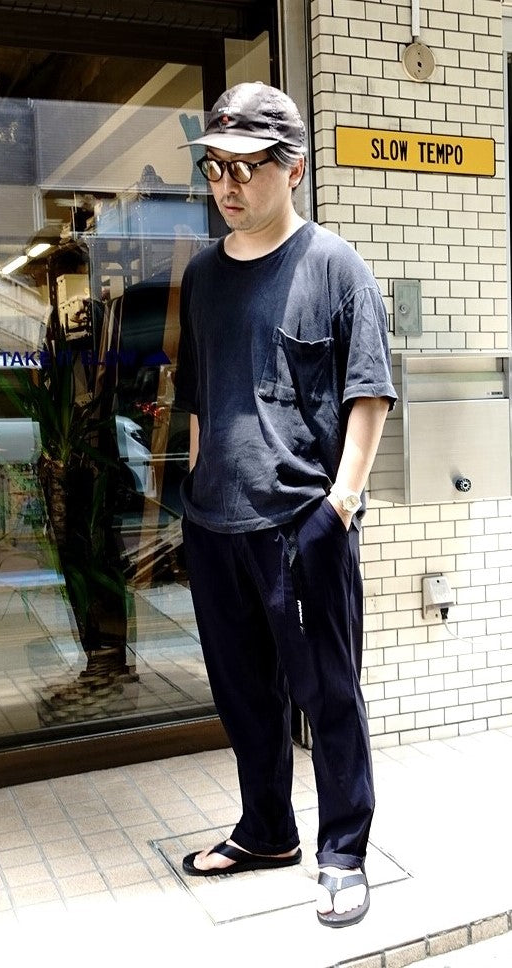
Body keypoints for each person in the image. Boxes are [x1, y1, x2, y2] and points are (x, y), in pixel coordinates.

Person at [174, 82, 397, 928]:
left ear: (292, 169)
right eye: (215, 167)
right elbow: (199, 398)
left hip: (302, 524)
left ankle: (343, 852)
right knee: (243, 697)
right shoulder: (202, 275)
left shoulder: (334, 266)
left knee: (327, 694)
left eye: (246, 167)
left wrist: (338, 507)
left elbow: (367, 394)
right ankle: (266, 832)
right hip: (215, 523)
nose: (226, 185)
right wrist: (196, 490)